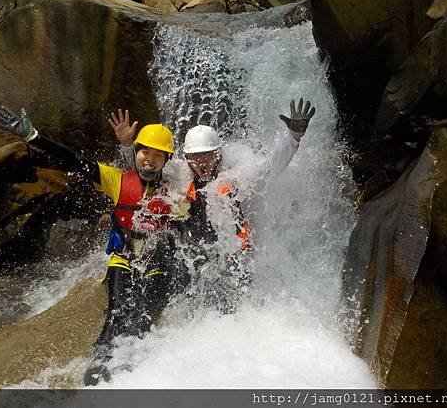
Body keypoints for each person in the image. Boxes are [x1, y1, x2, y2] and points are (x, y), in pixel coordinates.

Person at [0, 106, 186, 385]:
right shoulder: (117, 179)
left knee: (146, 311)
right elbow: (74, 160)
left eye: (158, 155)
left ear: (167, 160)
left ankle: (138, 369)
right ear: (137, 151)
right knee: (117, 313)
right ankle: (99, 370)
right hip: (124, 257)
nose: (150, 160)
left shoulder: (176, 190)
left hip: (155, 260)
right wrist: (33, 137)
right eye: (146, 152)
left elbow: (193, 216)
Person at [109, 98, 315, 310]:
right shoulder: (178, 175)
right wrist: (127, 146)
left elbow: (271, 165)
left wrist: (294, 137)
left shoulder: (238, 174)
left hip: (234, 252)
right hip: (197, 252)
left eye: (208, 155)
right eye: (196, 156)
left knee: (233, 296)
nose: (202, 162)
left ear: (218, 153)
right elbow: (145, 173)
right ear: (187, 157)